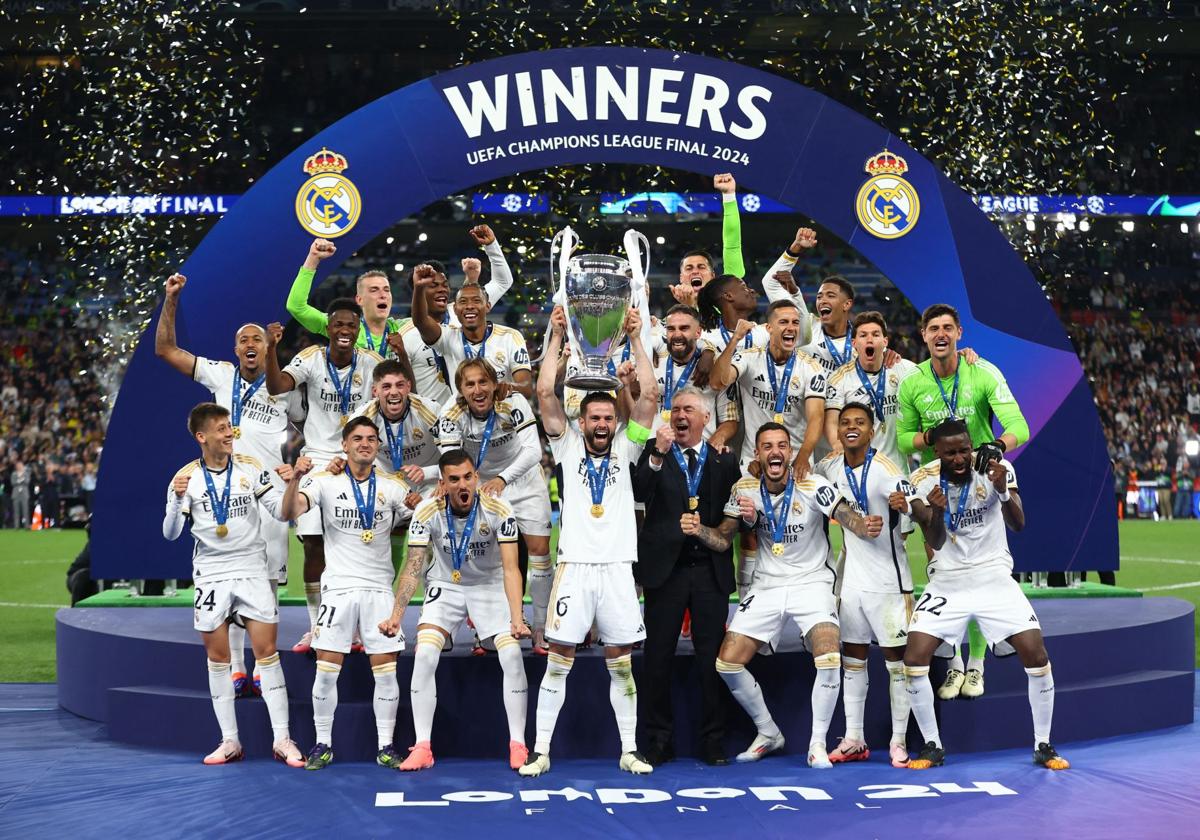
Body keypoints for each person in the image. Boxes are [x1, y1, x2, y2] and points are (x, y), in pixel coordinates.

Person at [680, 422, 880, 768]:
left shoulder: (813, 484)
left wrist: (865, 525)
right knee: (727, 662)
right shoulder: (744, 489)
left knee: (829, 655)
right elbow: (725, 538)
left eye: (782, 446)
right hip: (767, 585)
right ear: (757, 454)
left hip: (812, 581)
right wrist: (700, 530)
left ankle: (817, 743)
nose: (775, 452)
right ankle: (768, 731)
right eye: (767, 446)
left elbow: (847, 516)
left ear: (790, 452)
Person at [521, 302, 659, 778]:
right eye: (593, 418)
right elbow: (543, 391)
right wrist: (556, 335)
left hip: (619, 569)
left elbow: (650, 398)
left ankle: (629, 749)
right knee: (558, 662)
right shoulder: (565, 445)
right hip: (575, 567)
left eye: (607, 418)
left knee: (620, 664)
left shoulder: (628, 445)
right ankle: (541, 750)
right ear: (582, 422)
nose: (601, 425)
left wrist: (638, 339)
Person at [892, 418, 1069, 772]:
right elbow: (936, 541)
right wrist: (937, 511)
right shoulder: (922, 480)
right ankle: (932, 745)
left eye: (964, 450)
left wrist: (1002, 490)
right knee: (914, 656)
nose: (959, 459)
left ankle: (1044, 744)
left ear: (971, 445)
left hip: (993, 577)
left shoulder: (996, 468)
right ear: (936, 453)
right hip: (948, 580)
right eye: (950, 453)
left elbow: (1019, 523)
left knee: (1036, 652)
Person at [156, 272, 298, 694]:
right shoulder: (219, 375)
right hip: (227, 489)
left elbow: (316, 427)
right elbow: (166, 349)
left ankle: (260, 666)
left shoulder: (286, 385)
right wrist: (171, 300)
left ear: (269, 346)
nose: (251, 346)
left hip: (267, 491)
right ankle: (236, 668)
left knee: (266, 581)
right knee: (228, 585)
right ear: (235, 350)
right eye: (244, 341)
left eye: (258, 340)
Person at [896, 303, 1029, 700]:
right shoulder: (913, 383)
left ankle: (977, 664)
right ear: (923, 335)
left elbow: (1019, 425)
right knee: (943, 569)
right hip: (936, 484)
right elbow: (904, 438)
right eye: (933, 328)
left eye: (948, 328)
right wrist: (930, 438)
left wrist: (995, 445)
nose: (940, 334)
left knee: (981, 572)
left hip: (979, 481)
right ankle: (953, 663)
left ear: (959, 334)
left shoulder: (982, 371)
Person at [161, 402, 303, 768]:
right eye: (222, 428)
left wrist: (293, 484)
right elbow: (171, 533)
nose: (230, 434)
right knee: (218, 659)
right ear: (202, 436)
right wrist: (176, 501)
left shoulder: (251, 469)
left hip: (253, 568)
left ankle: (283, 739)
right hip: (210, 573)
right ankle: (230, 742)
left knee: (267, 652)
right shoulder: (185, 478)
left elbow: (284, 513)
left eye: (230, 427)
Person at [381, 449, 530, 772]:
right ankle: (423, 746)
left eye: (467, 477)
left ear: (476, 478)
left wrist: (517, 617)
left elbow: (510, 569)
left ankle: (517, 743)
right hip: (445, 585)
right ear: (443, 483)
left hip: (489, 586)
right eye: (453, 479)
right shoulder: (426, 511)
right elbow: (413, 566)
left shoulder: (499, 508)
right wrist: (396, 615)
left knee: (511, 655)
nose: (462, 485)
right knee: (424, 655)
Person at [280, 416, 413, 770]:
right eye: (357, 438)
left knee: (386, 673)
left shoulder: (392, 487)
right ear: (345, 444)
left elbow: (421, 515)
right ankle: (323, 743)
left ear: (378, 446)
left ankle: (386, 745)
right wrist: (295, 479)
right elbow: (287, 512)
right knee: (326, 672)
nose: (365, 443)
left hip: (379, 591)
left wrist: (422, 496)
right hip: (337, 590)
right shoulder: (323, 482)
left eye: (371, 438)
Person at [632, 385, 742, 766]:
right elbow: (638, 491)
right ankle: (659, 739)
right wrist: (658, 455)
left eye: (689, 410)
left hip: (709, 573)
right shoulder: (655, 453)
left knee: (711, 658)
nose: (680, 415)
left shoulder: (723, 460)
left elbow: (736, 511)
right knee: (658, 659)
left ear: (705, 418)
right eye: (675, 409)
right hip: (667, 571)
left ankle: (713, 740)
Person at [264, 302, 382, 654]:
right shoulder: (311, 358)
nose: (345, 331)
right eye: (338, 325)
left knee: (357, 547)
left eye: (351, 325)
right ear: (328, 328)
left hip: (359, 459)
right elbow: (276, 386)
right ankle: (318, 627)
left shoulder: (371, 363)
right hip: (316, 462)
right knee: (314, 546)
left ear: (358, 329)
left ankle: (357, 629)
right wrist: (272, 348)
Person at [814, 402, 914, 767]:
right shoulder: (829, 467)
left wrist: (907, 506)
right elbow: (806, 481)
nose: (851, 427)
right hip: (852, 581)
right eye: (845, 423)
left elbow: (916, 503)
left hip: (889, 582)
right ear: (838, 432)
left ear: (873, 431)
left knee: (896, 663)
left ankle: (899, 740)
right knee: (852, 661)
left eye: (860, 423)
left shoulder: (887, 469)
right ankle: (854, 738)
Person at [435, 358, 552, 651]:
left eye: (483, 382)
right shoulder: (450, 413)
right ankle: (490, 627)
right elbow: (451, 461)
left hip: (523, 480)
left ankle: (541, 627)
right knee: (490, 559)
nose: (478, 389)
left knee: (539, 551)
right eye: (470, 384)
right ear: (461, 389)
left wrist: (503, 479)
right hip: (484, 485)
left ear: (494, 383)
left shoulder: (513, 402)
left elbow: (533, 451)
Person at [391, 225, 517, 405]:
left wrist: (492, 247)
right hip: (432, 420)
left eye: (445, 285)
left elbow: (503, 282)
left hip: (474, 412)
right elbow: (403, 384)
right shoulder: (407, 335)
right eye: (433, 285)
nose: (442, 289)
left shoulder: (464, 310)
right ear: (417, 290)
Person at [709, 300, 827, 474]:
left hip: (795, 459)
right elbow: (717, 382)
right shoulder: (749, 358)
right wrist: (735, 339)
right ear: (769, 328)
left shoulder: (811, 368)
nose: (791, 327)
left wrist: (803, 456)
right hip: (753, 460)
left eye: (795, 322)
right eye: (783, 322)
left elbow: (816, 418)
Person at [824, 312, 920, 465]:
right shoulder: (839, 379)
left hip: (897, 471)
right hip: (859, 468)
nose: (869, 339)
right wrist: (837, 445)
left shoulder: (903, 368)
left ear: (885, 341)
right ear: (854, 343)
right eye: (863, 335)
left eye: (875, 334)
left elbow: (935, 372)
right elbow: (832, 420)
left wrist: (961, 355)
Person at [286, 238, 405, 359]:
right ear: (359, 300)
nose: (383, 295)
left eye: (386, 290)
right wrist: (313, 258)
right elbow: (296, 307)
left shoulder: (405, 328)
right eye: (374, 290)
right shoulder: (344, 327)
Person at [644, 304, 738, 443]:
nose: (676, 334)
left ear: (698, 333)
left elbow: (730, 419)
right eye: (671, 329)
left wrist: (712, 446)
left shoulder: (716, 366)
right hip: (656, 450)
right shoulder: (653, 356)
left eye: (684, 328)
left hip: (698, 454)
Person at [351, 359, 441, 502]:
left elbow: (455, 459)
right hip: (387, 484)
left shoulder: (430, 411)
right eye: (386, 386)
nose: (394, 392)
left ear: (408, 387)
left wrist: (427, 472)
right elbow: (352, 461)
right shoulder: (362, 418)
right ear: (375, 391)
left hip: (428, 482)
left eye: (400, 385)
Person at [11, 459, 30, 529]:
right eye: (18, 465)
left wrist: (19, 480)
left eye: (20, 465)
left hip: (24, 494)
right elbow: (13, 483)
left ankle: (27, 526)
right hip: (16, 494)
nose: (19, 466)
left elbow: (27, 482)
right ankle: (16, 526)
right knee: (16, 511)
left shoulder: (26, 474)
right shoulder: (14, 474)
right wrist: (20, 480)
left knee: (25, 510)